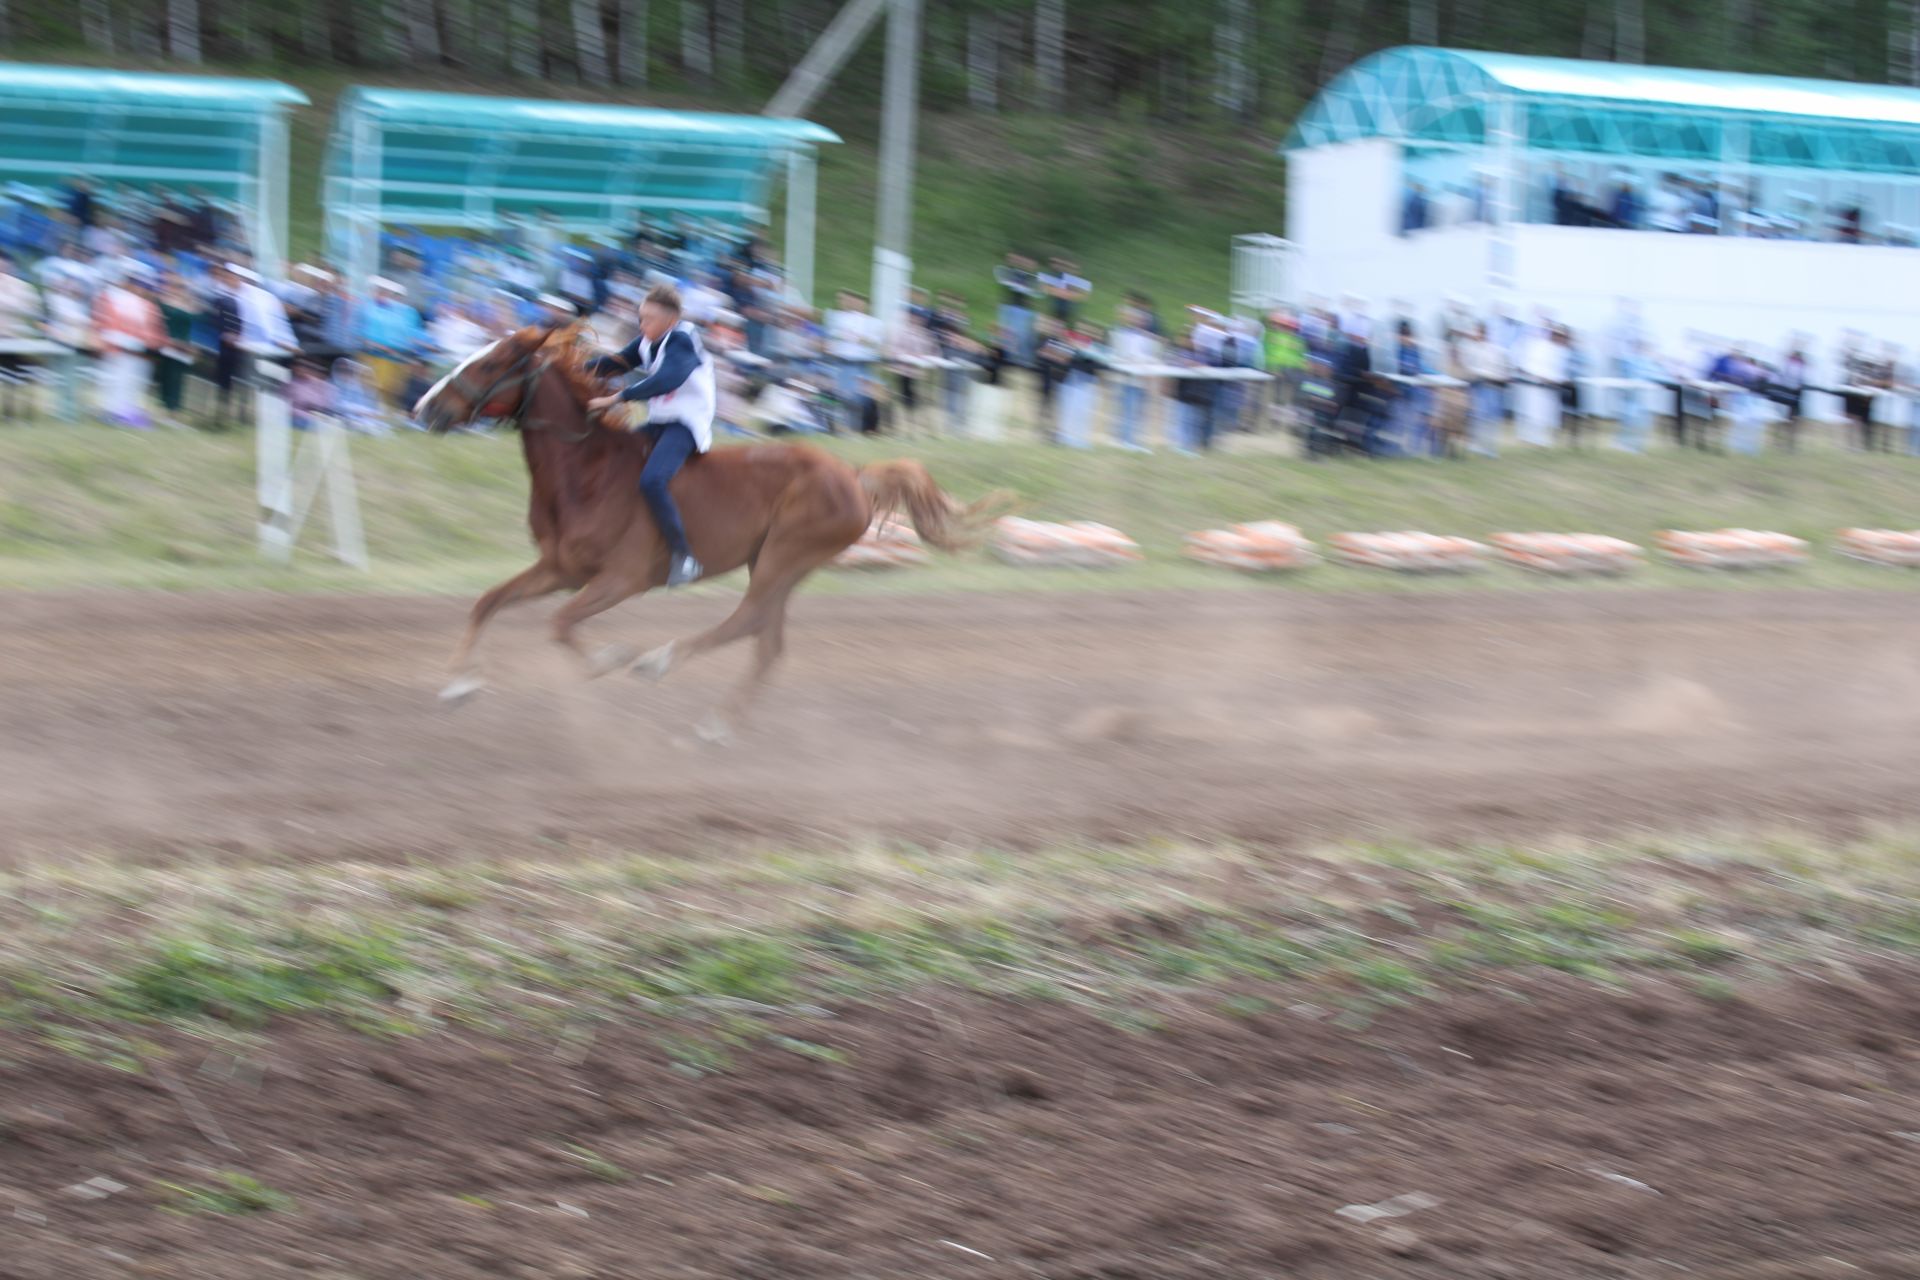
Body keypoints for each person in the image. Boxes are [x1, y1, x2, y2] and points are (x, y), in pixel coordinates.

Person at [585, 283, 716, 587]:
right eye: (641, 317)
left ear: (670, 321)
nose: (641, 324)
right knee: (610, 459)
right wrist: (566, 368)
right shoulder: (647, 340)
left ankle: (685, 557)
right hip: (659, 423)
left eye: (649, 319)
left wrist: (615, 399)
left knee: (652, 480)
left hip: (685, 425)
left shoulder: (682, 340)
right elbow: (611, 364)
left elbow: (667, 380)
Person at [93, 267, 162, 429]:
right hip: (117, 348)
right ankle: (112, 413)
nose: (140, 289)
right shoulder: (110, 297)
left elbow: (151, 330)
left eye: (143, 286)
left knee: (133, 384)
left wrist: (148, 342)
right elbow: (104, 322)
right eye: (136, 284)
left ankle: (127, 414)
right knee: (116, 382)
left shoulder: (148, 306)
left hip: (139, 352)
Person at [824, 290, 882, 433]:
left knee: (864, 397)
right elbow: (830, 341)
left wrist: (857, 338)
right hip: (841, 362)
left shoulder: (872, 322)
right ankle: (839, 427)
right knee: (841, 395)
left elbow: (875, 343)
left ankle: (866, 428)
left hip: (861, 364)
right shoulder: (836, 318)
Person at [153, 274, 200, 424]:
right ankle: (165, 409)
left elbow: (196, 324)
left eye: (181, 287)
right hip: (169, 344)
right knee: (168, 377)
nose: (178, 289)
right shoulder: (164, 300)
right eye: (175, 286)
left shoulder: (189, 304)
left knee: (178, 379)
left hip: (184, 346)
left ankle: (174, 411)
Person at [1457, 322, 1507, 457]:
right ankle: (1476, 444)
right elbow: (1466, 366)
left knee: (1491, 419)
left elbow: (1499, 369)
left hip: (1491, 385)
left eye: (1479, 332)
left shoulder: (1494, 350)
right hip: (1476, 385)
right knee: (1477, 416)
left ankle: (1489, 447)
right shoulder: (1469, 348)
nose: (1477, 335)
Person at [0, 250, 37, 421]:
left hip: (15, 339)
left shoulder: (22, 286)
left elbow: (30, 309)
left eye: (5, 263)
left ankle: (12, 412)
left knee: (14, 377)